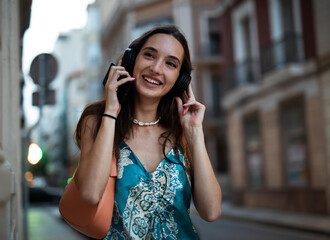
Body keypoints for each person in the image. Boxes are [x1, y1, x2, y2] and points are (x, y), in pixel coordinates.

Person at [73, 24, 222, 239]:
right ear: (131, 61)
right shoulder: (97, 120)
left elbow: (211, 211)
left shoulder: (183, 129)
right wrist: (111, 112)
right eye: (149, 56)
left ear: (180, 79)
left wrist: (195, 131)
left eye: (170, 63)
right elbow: (89, 194)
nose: (156, 68)